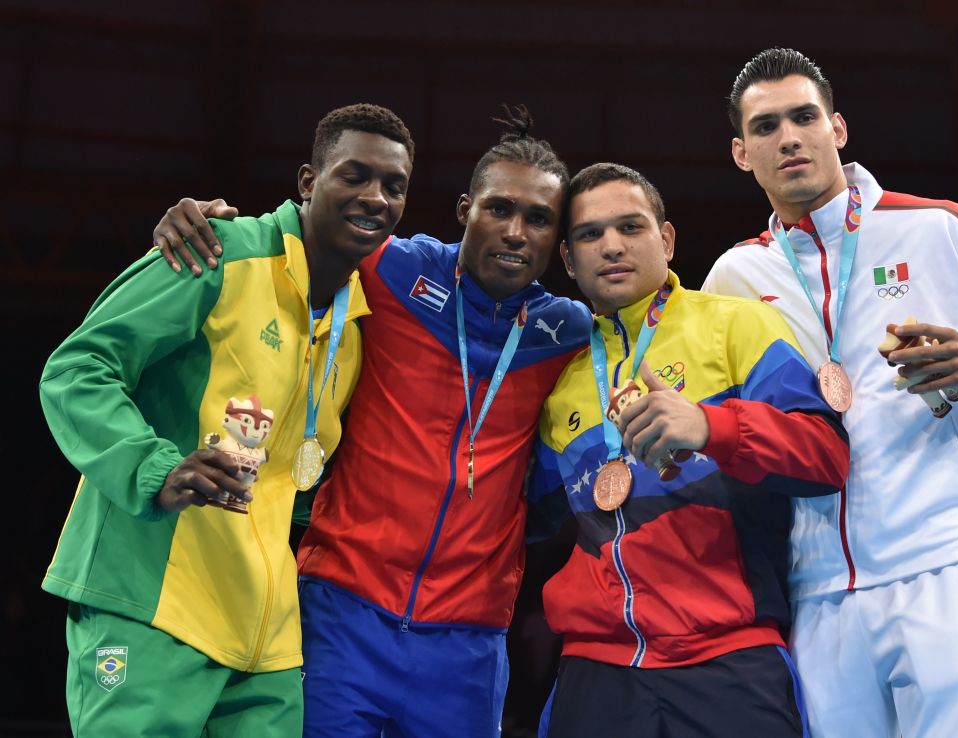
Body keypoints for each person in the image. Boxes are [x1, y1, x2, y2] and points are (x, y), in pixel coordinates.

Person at [152, 108, 594, 738]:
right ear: (466, 209)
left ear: (560, 240)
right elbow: (307, 234)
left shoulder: (569, 333)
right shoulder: (393, 270)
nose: (516, 231)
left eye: (539, 219)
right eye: (499, 209)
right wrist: (200, 221)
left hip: (468, 639)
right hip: (341, 609)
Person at [702, 48, 958, 738]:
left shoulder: (937, 228)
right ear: (740, 152)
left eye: (803, 116)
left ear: (837, 128)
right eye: (765, 127)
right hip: (817, 592)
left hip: (937, 564)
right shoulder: (734, 275)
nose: (788, 137)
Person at [39, 103, 415, 737]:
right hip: (156, 607)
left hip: (265, 644)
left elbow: (292, 484)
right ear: (307, 181)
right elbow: (77, 369)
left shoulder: (351, 331)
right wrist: (152, 465)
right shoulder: (217, 251)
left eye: (394, 186)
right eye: (354, 175)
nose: (374, 197)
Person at [527, 163, 850, 738]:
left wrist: (711, 426)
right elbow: (525, 517)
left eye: (631, 226)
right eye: (589, 235)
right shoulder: (562, 384)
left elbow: (825, 455)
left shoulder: (737, 326)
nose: (612, 246)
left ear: (667, 239)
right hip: (596, 672)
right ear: (569, 261)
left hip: (729, 659)